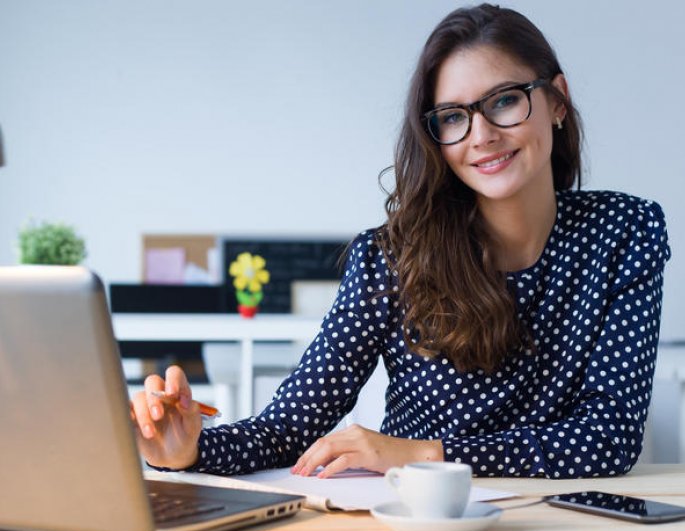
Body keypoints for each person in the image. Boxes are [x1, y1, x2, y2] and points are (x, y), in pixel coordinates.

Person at [131, 3, 670, 479]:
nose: (481, 136)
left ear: (557, 100)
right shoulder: (392, 258)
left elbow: (608, 437)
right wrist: (186, 451)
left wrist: (421, 454)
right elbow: (288, 428)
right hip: (417, 528)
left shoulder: (625, 233)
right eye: (453, 117)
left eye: (504, 101)